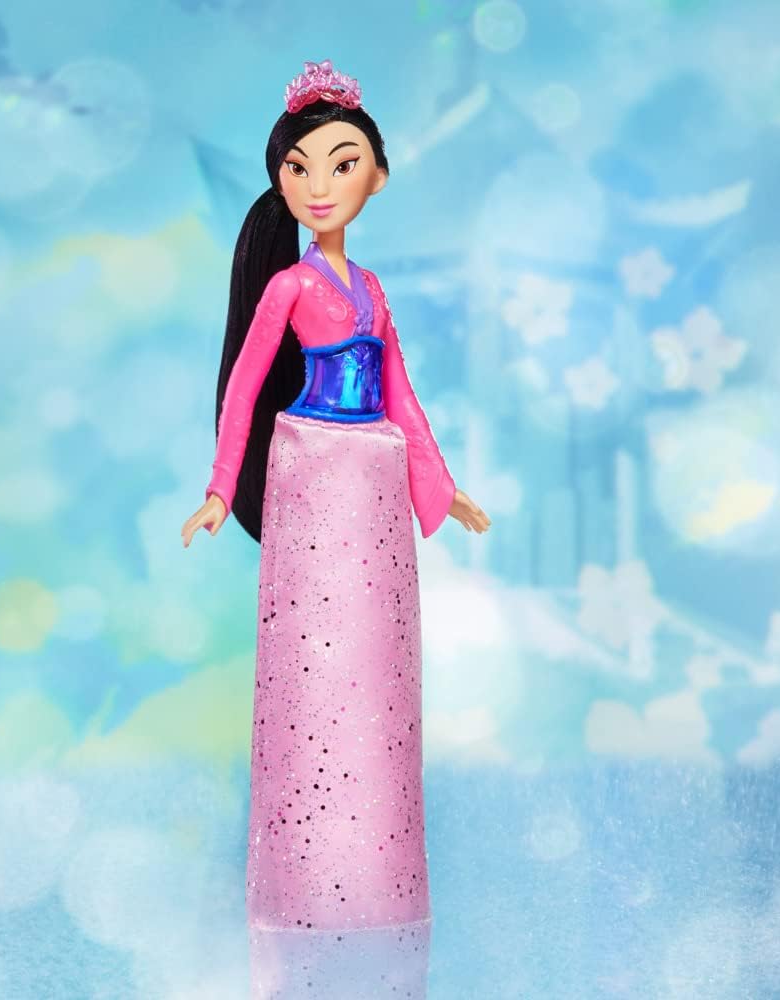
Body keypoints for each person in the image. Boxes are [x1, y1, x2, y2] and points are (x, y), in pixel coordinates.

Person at [181, 60, 490, 931]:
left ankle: (376, 867)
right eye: (300, 167)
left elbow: (403, 395)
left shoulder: (373, 289)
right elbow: (245, 389)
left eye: (342, 164)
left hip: (374, 471)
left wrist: (443, 487)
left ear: (376, 176)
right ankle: (306, 876)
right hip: (312, 467)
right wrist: (219, 488)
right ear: (280, 181)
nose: (320, 186)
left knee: (373, 659)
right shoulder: (288, 286)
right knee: (314, 660)